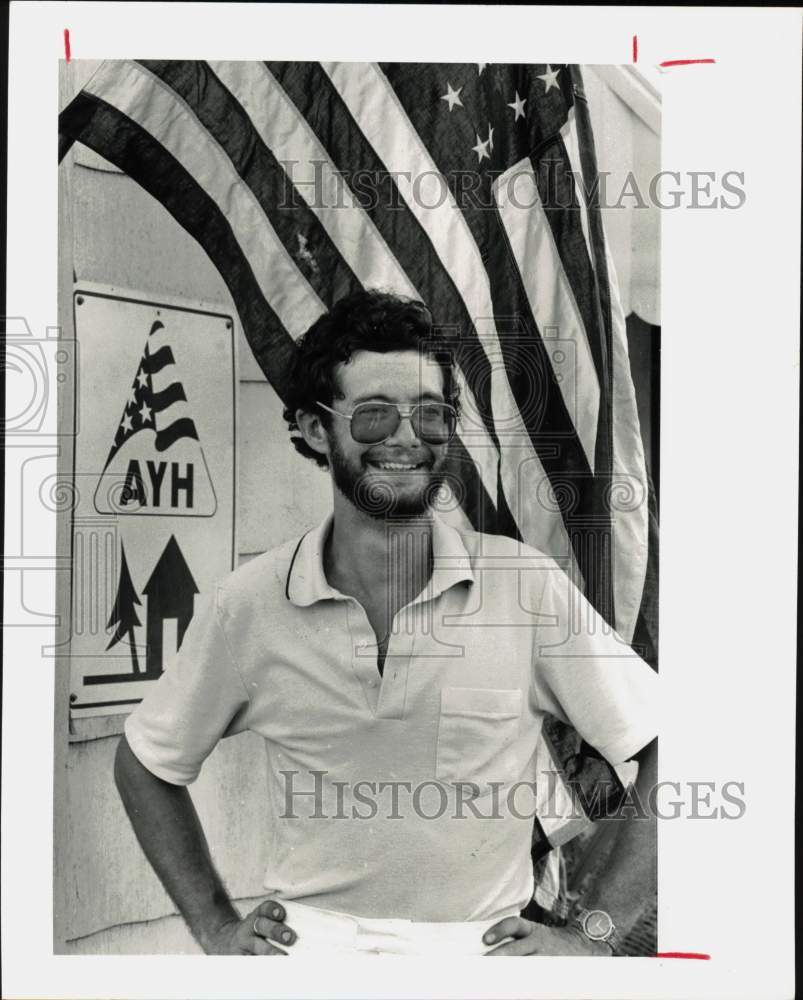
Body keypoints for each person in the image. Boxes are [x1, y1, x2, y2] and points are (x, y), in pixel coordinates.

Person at [115, 289, 658, 956]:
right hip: (306, 958)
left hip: (478, 957)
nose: (405, 439)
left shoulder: (525, 589)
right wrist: (215, 928)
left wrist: (592, 935)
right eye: (372, 416)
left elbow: (673, 746)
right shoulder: (248, 604)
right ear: (316, 429)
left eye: (430, 415)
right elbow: (146, 762)